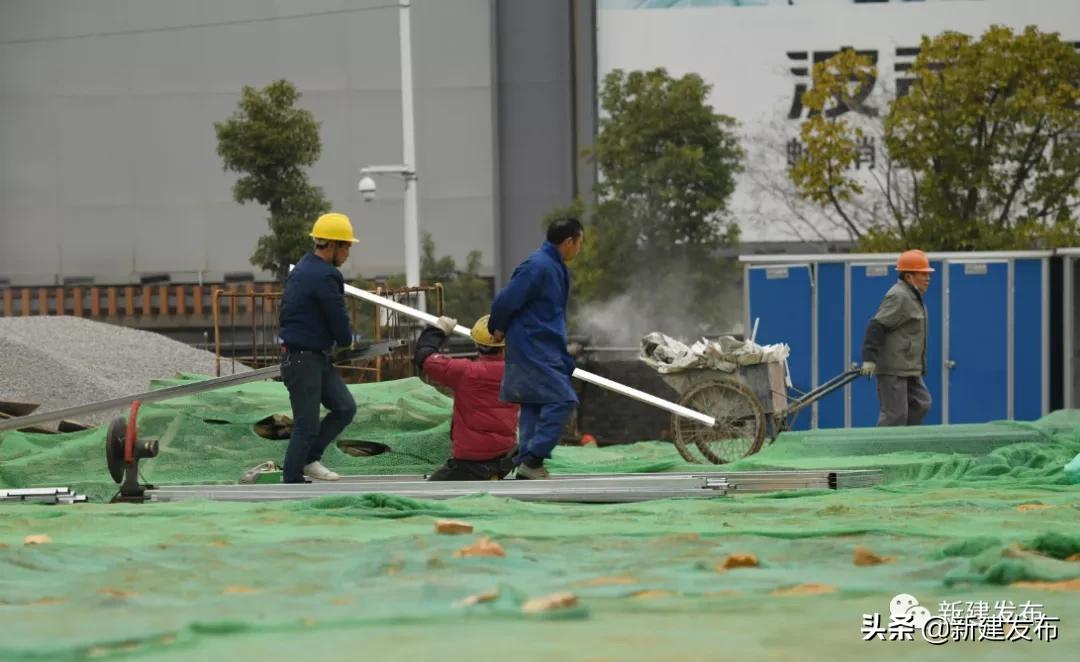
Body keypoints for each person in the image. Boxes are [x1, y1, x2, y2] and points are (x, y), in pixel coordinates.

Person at [487, 217, 585, 479]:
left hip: (544, 345)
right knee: (563, 400)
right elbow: (507, 299)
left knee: (533, 404)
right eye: (579, 242)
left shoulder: (553, 266)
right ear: (568, 242)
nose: (579, 248)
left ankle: (525, 466)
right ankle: (532, 458)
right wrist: (496, 326)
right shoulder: (538, 266)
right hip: (533, 347)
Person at [277, 212, 359, 483]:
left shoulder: (303, 267)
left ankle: (310, 459)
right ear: (332, 245)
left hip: (313, 357)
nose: (348, 252)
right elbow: (337, 317)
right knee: (306, 424)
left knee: (344, 407)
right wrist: (347, 341)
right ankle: (291, 481)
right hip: (304, 360)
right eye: (346, 246)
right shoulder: (326, 275)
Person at [413, 314, 519, 481]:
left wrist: (438, 330)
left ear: (476, 343)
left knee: (431, 494)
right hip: (504, 459)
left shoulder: (464, 372)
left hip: (469, 462)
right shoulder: (519, 373)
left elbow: (423, 356)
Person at [860, 249, 933, 427]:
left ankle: (906, 443)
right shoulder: (899, 296)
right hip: (894, 369)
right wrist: (869, 359)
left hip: (908, 368)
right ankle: (882, 451)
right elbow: (877, 325)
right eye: (923, 274)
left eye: (927, 274)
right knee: (894, 415)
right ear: (909, 277)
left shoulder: (913, 296)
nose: (928, 278)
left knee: (922, 404)